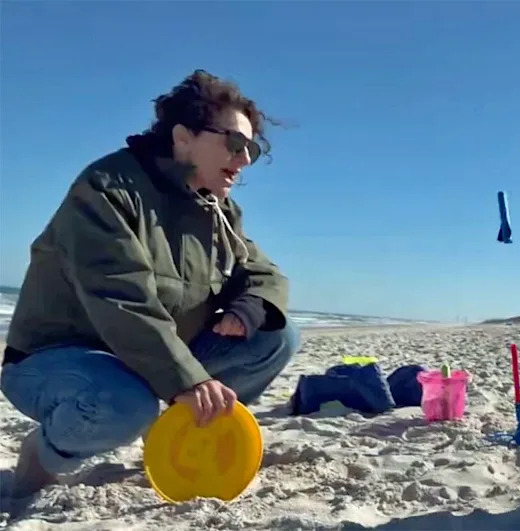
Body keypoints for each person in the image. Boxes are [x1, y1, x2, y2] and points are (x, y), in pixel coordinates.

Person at [0, 70, 300, 497]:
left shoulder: (216, 208)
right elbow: (121, 298)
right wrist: (187, 381)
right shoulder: (107, 191)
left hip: (147, 361)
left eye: (252, 148)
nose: (246, 158)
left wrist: (249, 306)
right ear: (183, 137)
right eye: (235, 143)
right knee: (126, 404)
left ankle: (175, 430)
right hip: (55, 359)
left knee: (276, 336)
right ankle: (43, 455)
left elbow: (263, 272)